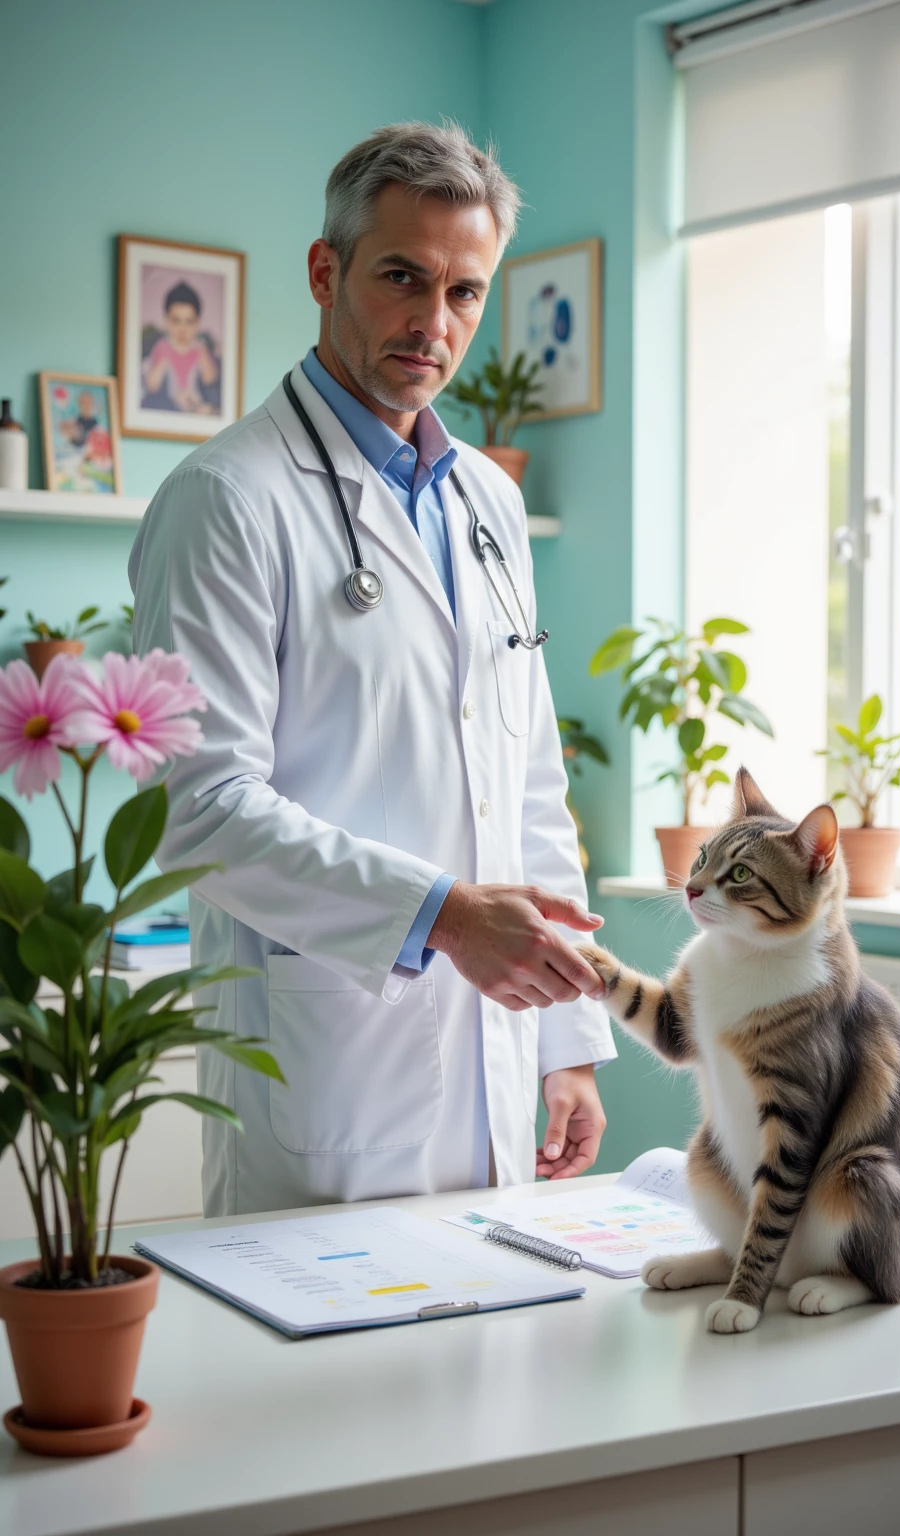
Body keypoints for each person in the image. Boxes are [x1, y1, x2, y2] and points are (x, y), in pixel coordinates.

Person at [129, 122, 615, 1218]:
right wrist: (443, 917)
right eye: (402, 276)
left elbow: (529, 782)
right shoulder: (226, 500)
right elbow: (197, 811)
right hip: (328, 1075)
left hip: (493, 1060)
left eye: (463, 293)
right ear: (324, 270)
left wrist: (563, 1040)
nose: (432, 324)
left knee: (504, 1376)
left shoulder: (488, 503)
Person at [143, 281, 220, 413]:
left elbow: (210, 378)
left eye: (189, 322)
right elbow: (152, 384)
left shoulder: (199, 348)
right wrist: (162, 363)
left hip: (194, 398)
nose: (182, 329)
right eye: (176, 321)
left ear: (197, 324)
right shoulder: (163, 347)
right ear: (166, 321)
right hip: (170, 400)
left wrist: (203, 356)